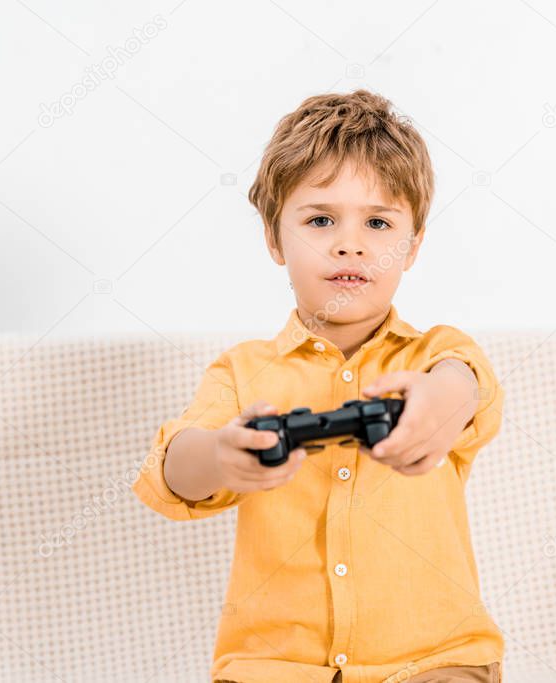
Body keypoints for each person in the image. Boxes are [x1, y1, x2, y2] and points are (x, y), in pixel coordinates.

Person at [132, 89, 505, 683]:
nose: (349, 243)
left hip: (432, 661)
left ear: (412, 246)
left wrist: (443, 402)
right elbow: (171, 471)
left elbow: (467, 385)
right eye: (320, 219)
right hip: (275, 667)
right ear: (275, 240)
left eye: (378, 222)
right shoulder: (241, 372)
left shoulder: (437, 354)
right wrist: (221, 456)